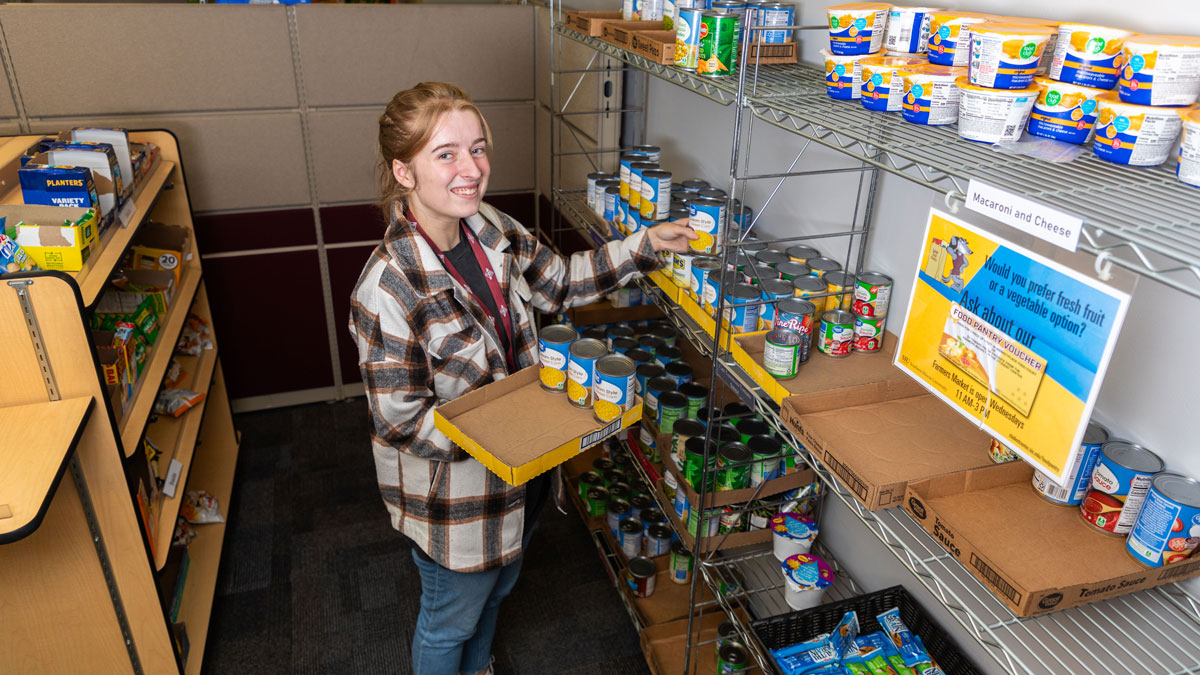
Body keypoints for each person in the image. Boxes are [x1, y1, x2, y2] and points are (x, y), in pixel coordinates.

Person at [348, 82, 696, 675]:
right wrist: (509, 436)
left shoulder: (491, 227)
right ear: (403, 172)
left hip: (525, 478)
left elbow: (559, 281)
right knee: (448, 620)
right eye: (446, 154)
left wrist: (643, 246)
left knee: (499, 590)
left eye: (478, 148)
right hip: (456, 497)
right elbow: (402, 421)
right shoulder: (387, 289)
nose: (471, 169)